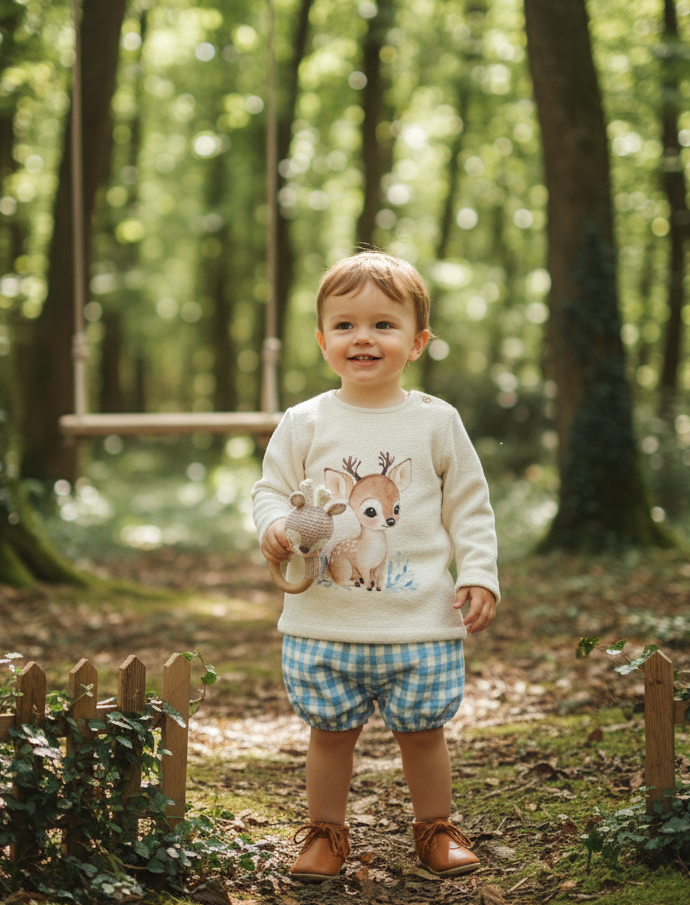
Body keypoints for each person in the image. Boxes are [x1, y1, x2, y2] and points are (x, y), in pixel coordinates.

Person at [252, 251, 499, 882]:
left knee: (422, 733)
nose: (363, 337)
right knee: (330, 734)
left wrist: (478, 571)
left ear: (417, 342)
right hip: (323, 620)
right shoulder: (304, 421)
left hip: (419, 623)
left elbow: (469, 504)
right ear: (322, 339)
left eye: (384, 325)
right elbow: (271, 490)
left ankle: (435, 828)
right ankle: (325, 833)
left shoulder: (437, 422)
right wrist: (275, 526)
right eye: (345, 325)